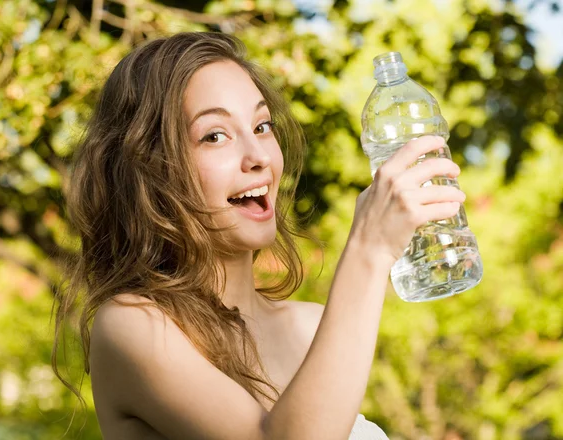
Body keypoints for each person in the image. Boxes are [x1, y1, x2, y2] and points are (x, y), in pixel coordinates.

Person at [52, 31, 464, 439]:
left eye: (262, 126)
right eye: (215, 136)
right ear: (150, 170)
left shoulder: (312, 327)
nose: (260, 157)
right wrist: (368, 252)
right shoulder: (132, 326)